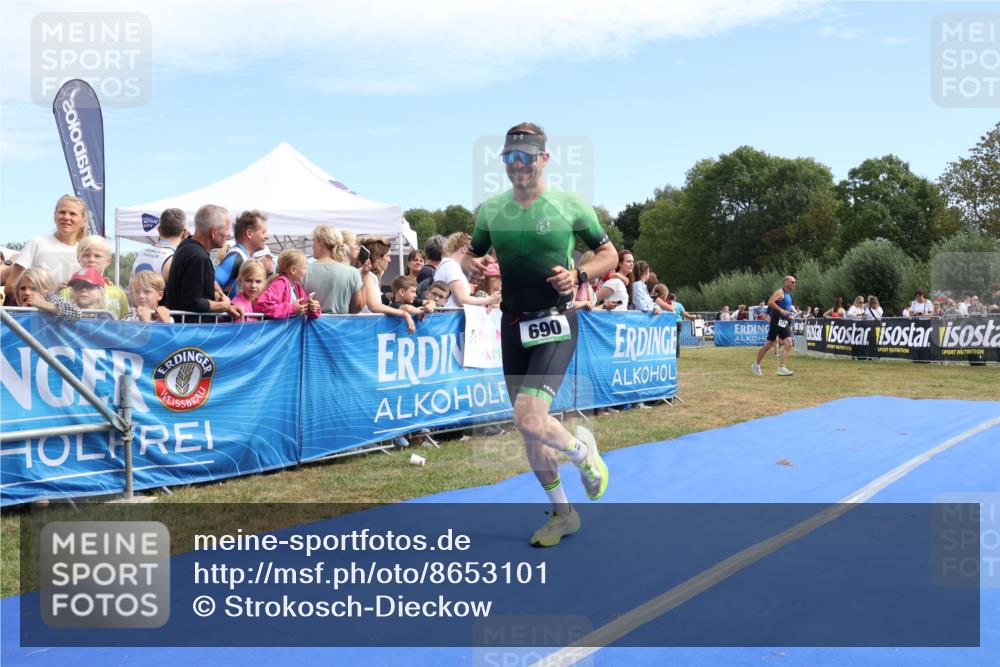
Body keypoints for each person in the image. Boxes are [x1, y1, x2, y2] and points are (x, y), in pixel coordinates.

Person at [462, 122, 618, 548]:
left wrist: (579, 274)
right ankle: (564, 513)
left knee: (528, 418)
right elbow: (469, 255)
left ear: (544, 158)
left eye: (526, 157)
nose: (517, 166)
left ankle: (584, 454)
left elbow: (610, 254)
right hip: (512, 325)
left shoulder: (570, 205)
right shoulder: (492, 210)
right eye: (510, 158)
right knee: (531, 430)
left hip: (555, 322)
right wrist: (467, 265)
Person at [165, 204, 243, 319]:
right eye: (227, 228)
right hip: (191, 333)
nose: (229, 234)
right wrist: (224, 306)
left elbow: (192, 292)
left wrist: (225, 304)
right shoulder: (198, 256)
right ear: (214, 232)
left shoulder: (186, 245)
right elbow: (192, 302)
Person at [4, 195, 87, 303]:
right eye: (62, 212)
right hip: (37, 316)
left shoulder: (85, 253)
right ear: (55, 216)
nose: (66, 217)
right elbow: (10, 286)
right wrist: (51, 292)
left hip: (69, 318)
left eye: (73, 214)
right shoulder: (36, 243)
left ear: (83, 221)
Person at [58, 235, 129, 319]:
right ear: (78, 258)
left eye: (97, 256)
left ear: (108, 260)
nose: (91, 259)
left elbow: (125, 325)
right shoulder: (66, 292)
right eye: (86, 255)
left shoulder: (119, 293)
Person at [358, 237, 417, 333]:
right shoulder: (367, 276)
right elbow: (374, 306)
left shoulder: (370, 275)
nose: (390, 260)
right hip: (364, 329)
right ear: (378, 258)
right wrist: (404, 314)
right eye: (388, 256)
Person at [303, 224, 364, 314]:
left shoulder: (303, 270)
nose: (312, 246)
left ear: (321, 243)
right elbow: (357, 308)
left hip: (311, 326)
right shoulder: (352, 272)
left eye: (314, 241)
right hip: (341, 326)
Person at [435, 232, 501, 309]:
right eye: (473, 254)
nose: (476, 258)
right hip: (452, 317)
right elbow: (462, 300)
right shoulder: (451, 265)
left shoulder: (447, 264)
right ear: (464, 249)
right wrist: (489, 299)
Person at [216, 210, 270, 298]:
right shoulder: (236, 257)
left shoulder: (243, 257)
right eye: (263, 232)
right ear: (249, 234)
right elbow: (212, 282)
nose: (267, 237)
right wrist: (228, 305)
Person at [254, 249, 320, 319]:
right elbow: (261, 305)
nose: (306, 272)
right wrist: (292, 308)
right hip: (279, 329)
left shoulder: (296, 287)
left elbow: (302, 307)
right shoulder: (279, 284)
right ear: (293, 270)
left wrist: (313, 308)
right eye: (304, 268)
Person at [752, 275, 797, 377]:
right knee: (768, 345)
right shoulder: (780, 291)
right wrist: (781, 311)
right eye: (792, 282)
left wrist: (789, 315)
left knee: (789, 343)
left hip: (784, 321)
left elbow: (786, 308)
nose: (794, 284)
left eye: (795, 282)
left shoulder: (789, 295)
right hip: (776, 321)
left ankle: (781, 368)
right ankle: (756, 364)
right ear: (786, 282)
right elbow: (770, 302)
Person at [131, 207, 188, 282]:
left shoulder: (140, 254)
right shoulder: (174, 261)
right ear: (185, 234)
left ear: (158, 229)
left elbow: (131, 289)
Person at [11, 267, 82, 322]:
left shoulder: (50, 297)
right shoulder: (15, 309)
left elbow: (76, 313)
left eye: (33, 288)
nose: (27, 292)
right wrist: (22, 313)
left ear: (45, 289)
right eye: (22, 288)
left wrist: (43, 304)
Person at [667, 293, 694, 358]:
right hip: (678, 322)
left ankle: (668, 353)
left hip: (669, 322)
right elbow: (685, 314)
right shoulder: (679, 305)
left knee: (668, 338)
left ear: (669, 298)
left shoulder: (666, 304)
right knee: (677, 338)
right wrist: (692, 316)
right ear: (675, 298)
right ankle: (677, 355)